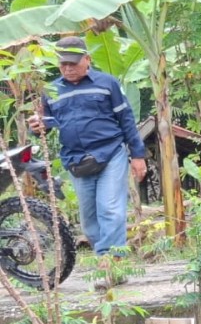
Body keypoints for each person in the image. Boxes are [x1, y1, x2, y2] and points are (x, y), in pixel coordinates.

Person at [29, 36, 147, 285]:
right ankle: (111, 264)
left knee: (111, 209)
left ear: (87, 60)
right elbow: (46, 125)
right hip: (76, 161)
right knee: (89, 219)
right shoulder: (51, 91)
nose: (68, 68)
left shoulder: (108, 84)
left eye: (73, 63)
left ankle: (109, 265)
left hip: (111, 153)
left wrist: (137, 156)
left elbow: (126, 120)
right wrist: (37, 127)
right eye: (63, 65)